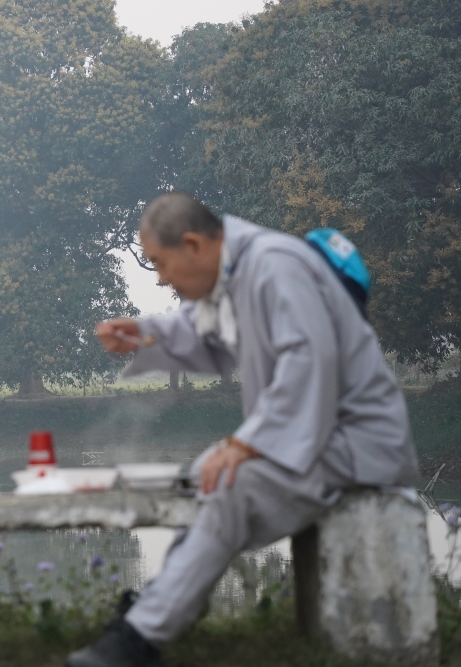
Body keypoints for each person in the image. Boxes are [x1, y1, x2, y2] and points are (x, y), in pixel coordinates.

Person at [66, 192, 419, 667]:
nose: (161, 277)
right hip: (315, 438)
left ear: (192, 244)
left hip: (355, 441)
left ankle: (138, 640)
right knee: (201, 476)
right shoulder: (236, 274)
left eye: (159, 263)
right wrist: (143, 332)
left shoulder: (275, 266)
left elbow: (309, 361)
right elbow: (200, 333)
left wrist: (246, 443)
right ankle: (153, 612)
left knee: (228, 482)